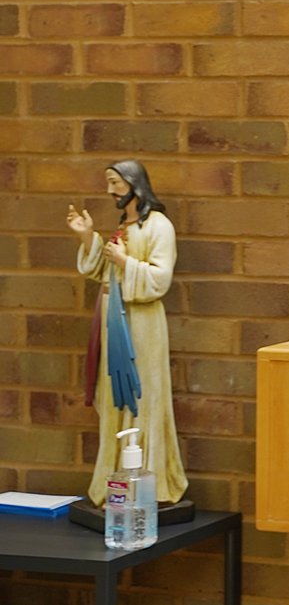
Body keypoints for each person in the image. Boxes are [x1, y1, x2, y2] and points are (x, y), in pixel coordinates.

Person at [68, 159, 188, 506]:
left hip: (141, 325)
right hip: (113, 320)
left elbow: (159, 279)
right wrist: (88, 237)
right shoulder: (125, 225)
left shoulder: (159, 226)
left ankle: (150, 485)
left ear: (135, 184)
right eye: (109, 183)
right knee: (113, 400)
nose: (111, 191)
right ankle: (114, 482)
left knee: (140, 395)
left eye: (116, 184)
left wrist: (124, 262)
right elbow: (105, 271)